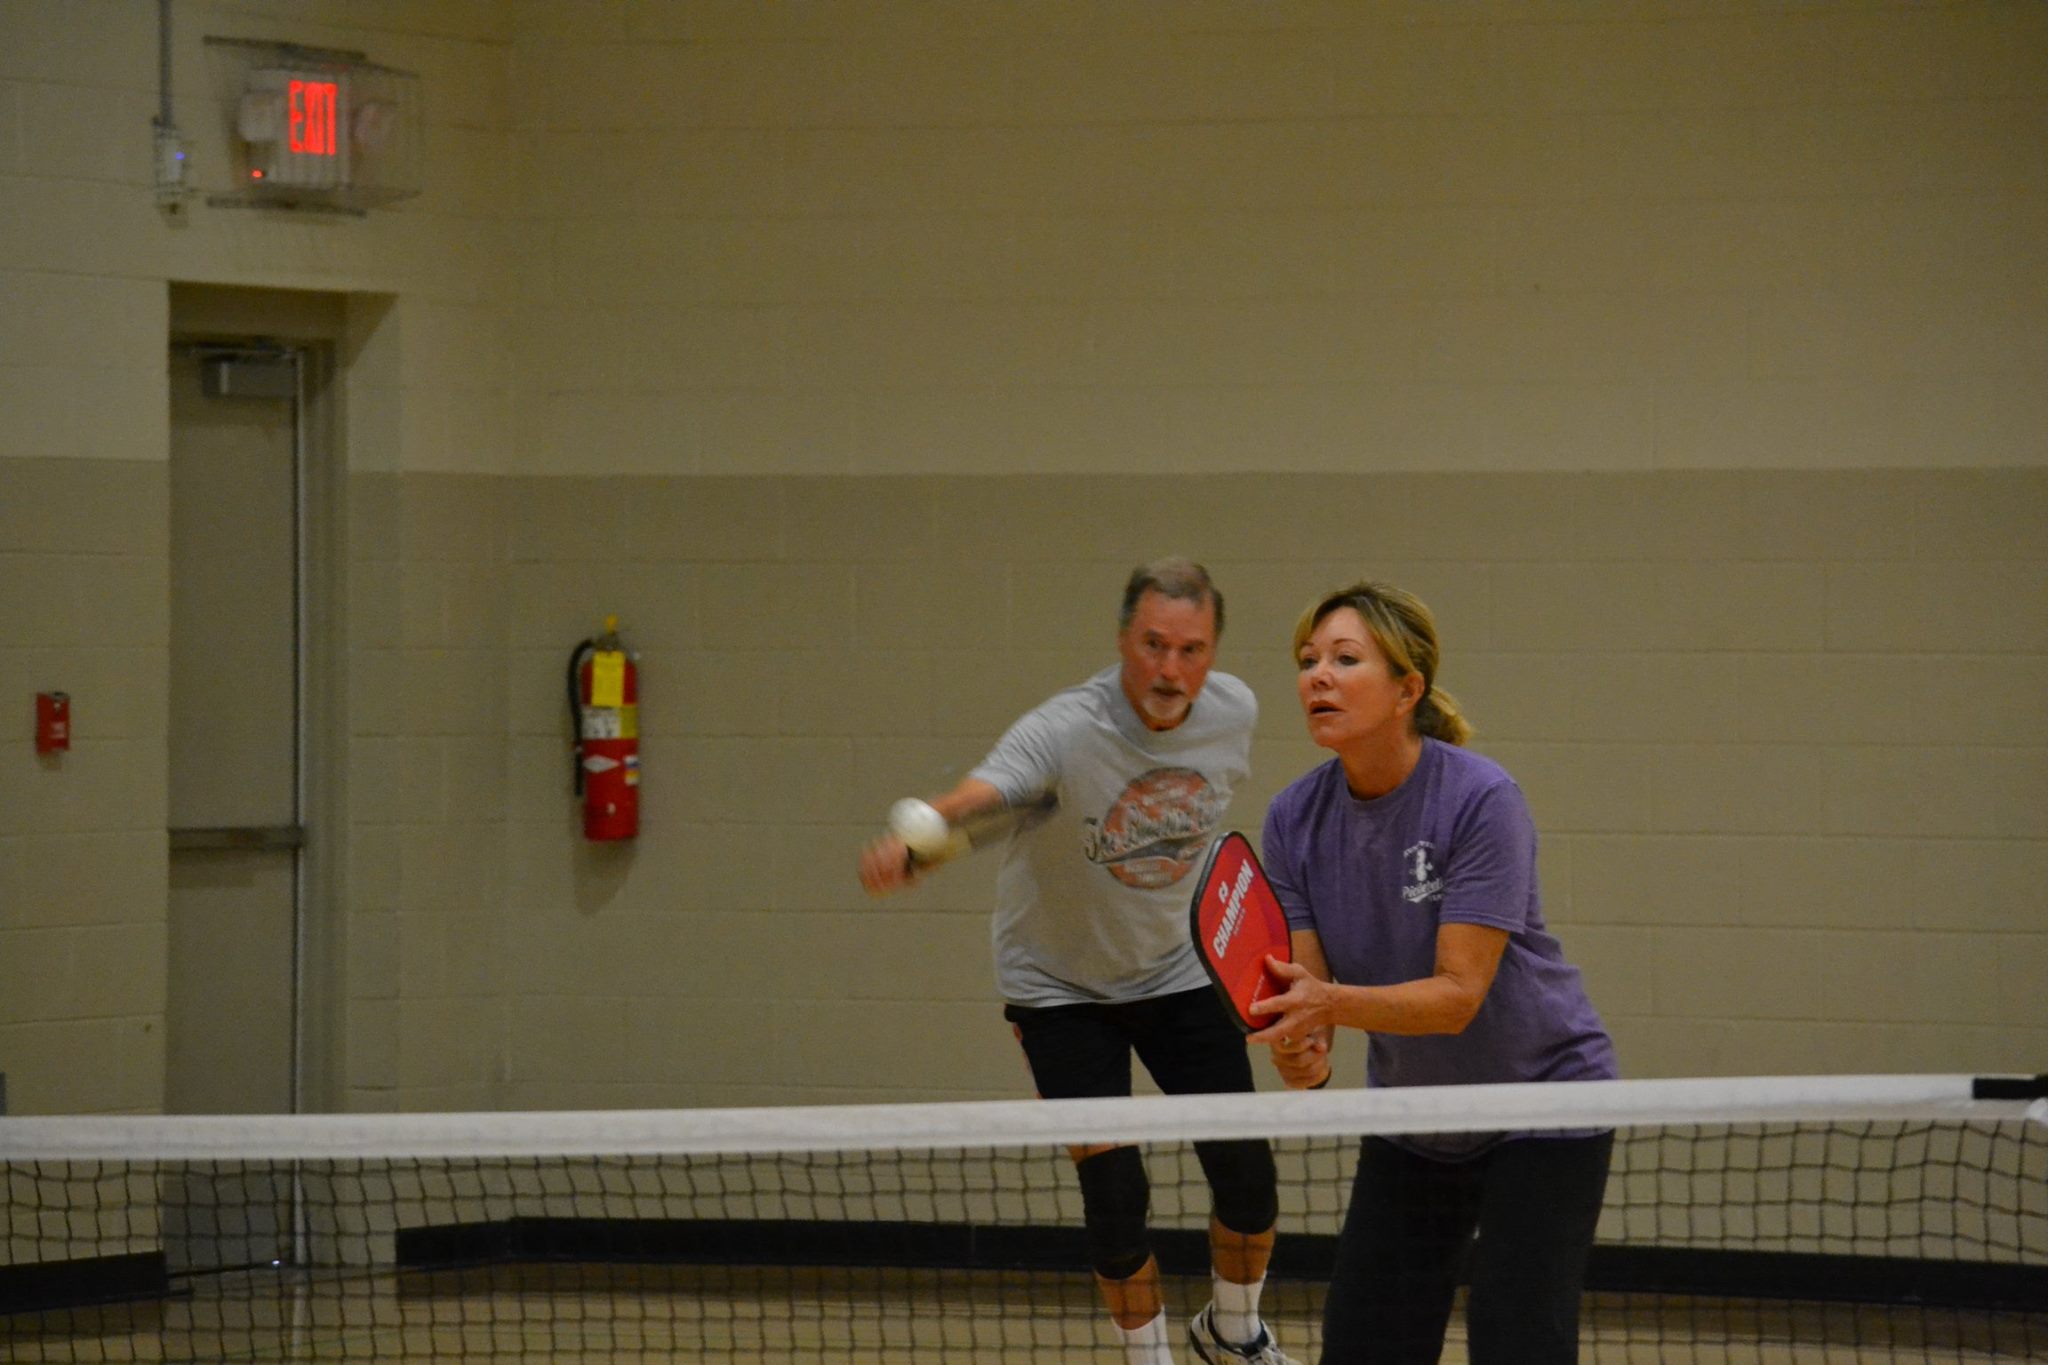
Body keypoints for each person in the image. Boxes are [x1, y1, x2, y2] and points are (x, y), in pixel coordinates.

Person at [860, 558, 1298, 1365]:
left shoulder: (1234, 711)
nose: (1170, 669)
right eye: (1154, 644)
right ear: (1124, 639)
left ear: (1214, 651)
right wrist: (923, 833)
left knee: (1249, 1178)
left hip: (1176, 969)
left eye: (1192, 649)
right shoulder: (1066, 727)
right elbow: (989, 792)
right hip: (1059, 991)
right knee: (1116, 1196)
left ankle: (1233, 1333)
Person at [1246, 581, 1618, 1365]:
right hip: (1418, 1117)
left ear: (1406, 688)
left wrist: (1326, 1005)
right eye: (1308, 660)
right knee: (1364, 1346)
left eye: (1345, 659)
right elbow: (1312, 994)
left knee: (1517, 1340)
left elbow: (1457, 996)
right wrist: (1302, 1046)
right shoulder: (1292, 819)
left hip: (1544, 1105)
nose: (1318, 676)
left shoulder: (1481, 798)